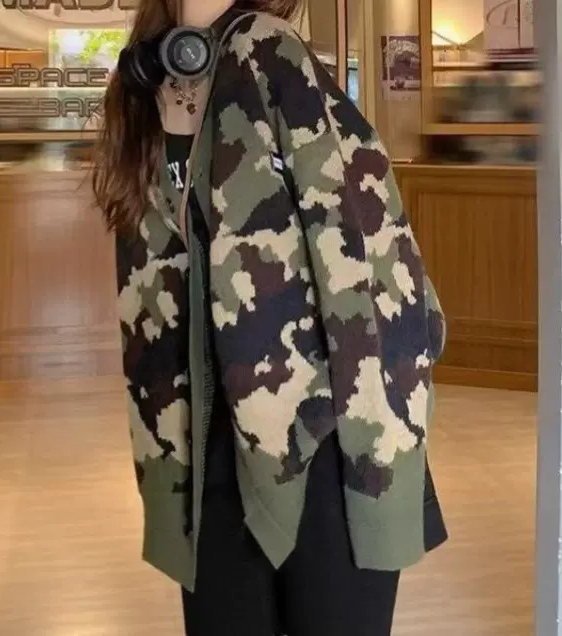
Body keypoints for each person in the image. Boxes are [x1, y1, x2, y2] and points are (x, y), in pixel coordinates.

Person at [92, 1, 448, 634]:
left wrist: (376, 451)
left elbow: (366, 247)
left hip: (319, 444)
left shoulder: (268, 49)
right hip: (206, 441)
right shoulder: (146, 75)